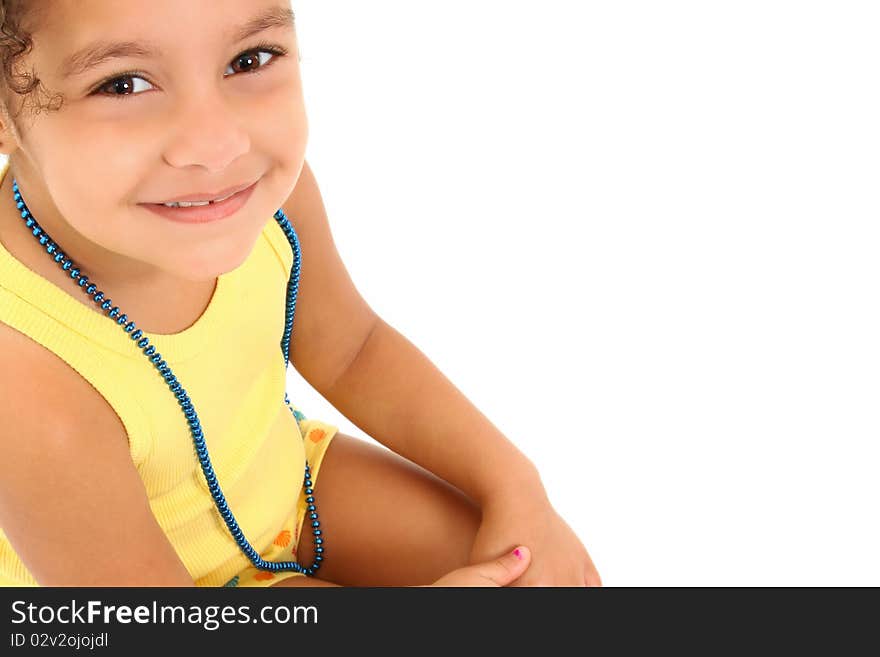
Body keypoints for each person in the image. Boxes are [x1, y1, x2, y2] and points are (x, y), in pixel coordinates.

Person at [0, 0, 601, 588]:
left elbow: (352, 347)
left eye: (249, 59)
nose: (217, 146)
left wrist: (515, 483)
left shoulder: (253, 194)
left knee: (527, 566)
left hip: (286, 487)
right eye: (124, 85)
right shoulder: (23, 377)